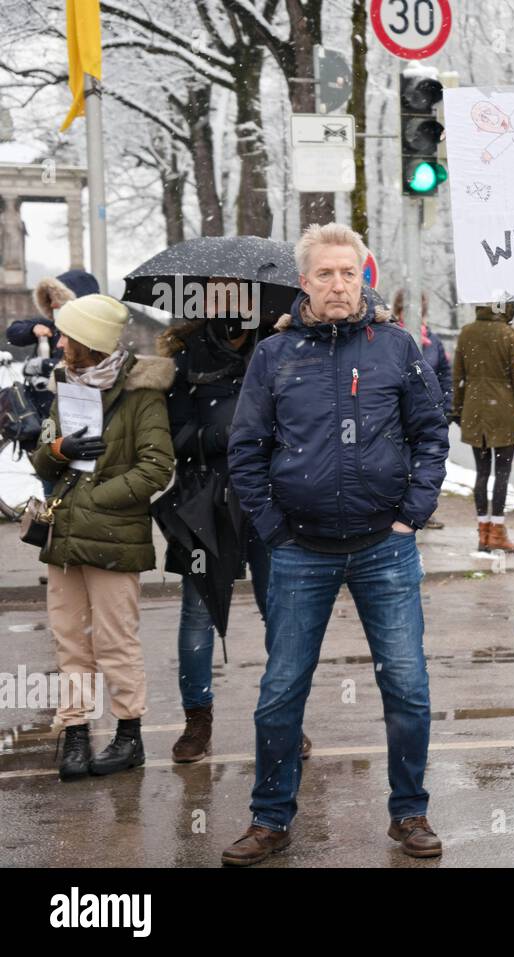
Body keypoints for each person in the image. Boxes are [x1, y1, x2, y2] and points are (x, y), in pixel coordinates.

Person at [223, 223, 449, 866]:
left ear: (363, 278)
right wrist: (272, 527)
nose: (338, 284)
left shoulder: (395, 346)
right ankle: (270, 819)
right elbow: (246, 451)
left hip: (386, 545)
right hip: (299, 549)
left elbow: (432, 434)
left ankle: (410, 813)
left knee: (407, 685)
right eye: (325, 274)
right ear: (305, 283)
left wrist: (413, 513)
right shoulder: (274, 356)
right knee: (281, 689)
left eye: (348, 273)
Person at [156, 282, 310, 764]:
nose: (232, 312)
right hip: (203, 503)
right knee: (198, 613)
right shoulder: (184, 361)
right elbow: (172, 437)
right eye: (221, 300)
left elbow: (302, 422)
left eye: (240, 301)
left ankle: (287, 720)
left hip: (269, 501)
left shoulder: (279, 351)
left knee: (281, 611)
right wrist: (222, 434)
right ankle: (196, 719)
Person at [31, 294, 176, 781]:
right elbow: (40, 459)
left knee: (116, 642)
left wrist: (93, 500)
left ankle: (128, 736)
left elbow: (156, 468)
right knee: (70, 640)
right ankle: (74, 734)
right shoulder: (63, 386)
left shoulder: (141, 393)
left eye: (69, 335)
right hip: (64, 536)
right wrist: (58, 448)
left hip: (114, 537)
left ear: (90, 341)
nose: (62, 342)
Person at [8, 270, 99, 498]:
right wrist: (31, 330)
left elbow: (83, 365)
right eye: (51, 300)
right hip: (44, 416)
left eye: (60, 298)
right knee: (47, 459)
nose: (55, 304)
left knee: (72, 466)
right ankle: (50, 503)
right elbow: (14, 332)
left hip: (73, 414)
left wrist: (45, 366)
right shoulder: (47, 325)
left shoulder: (91, 331)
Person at [452, 301, 514, 552]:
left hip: (474, 409)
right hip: (503, 411)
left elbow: (458, 376)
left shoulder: (467, 332)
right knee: (502, 474)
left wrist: (456, 408)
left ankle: (482, 533)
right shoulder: (508, 334)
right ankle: (497, 531)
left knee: (482, 473)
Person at [394, 289, 454, 530]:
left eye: (420, 312)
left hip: (426, 416)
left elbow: (445, 377)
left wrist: (445, 408)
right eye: (408, 310)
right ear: (399, 311)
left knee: (427, 462)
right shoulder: (390, 339)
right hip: (397, 418)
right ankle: (400, 510)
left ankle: (422, 510)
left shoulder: (433, 341)